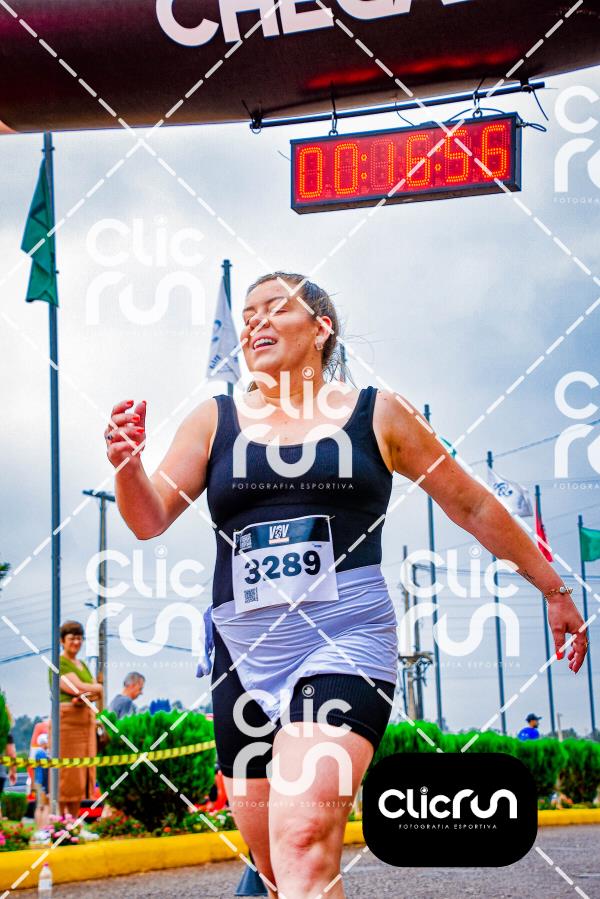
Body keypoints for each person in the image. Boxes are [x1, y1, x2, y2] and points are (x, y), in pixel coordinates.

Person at [105, 271, 588, 899]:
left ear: (321, 328)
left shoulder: (377, 413)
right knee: (275, 865)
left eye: (275, 308)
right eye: (247, 315)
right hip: (242, 652)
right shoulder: (213, 420)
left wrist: (553, 589)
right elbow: (147, 519)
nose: (255, 323)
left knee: (302, 839)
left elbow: (471, 505)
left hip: (343, 639)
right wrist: (127, 466)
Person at [47, 620, 104, 817]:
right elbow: (76, 687)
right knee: (66, 773)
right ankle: (61, 821)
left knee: (82, 774)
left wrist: (91, 691)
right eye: (72, 638)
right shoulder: (59, 663)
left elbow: (92, 692)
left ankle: (74, 821)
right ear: (62, 640)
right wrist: (95, 688)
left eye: (79, 638)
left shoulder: (83, 665)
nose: (76, 642)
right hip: (66, 724)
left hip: (85, 724)